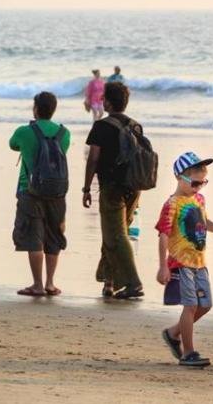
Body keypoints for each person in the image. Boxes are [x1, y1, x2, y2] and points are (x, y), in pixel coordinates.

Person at [156, 152, 213, 367]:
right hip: (180, 262)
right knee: (191, 305)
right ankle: (188, 352)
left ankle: (173, 333)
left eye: (203, 183)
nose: (199, 187)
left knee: (205, 304)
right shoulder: (172, 204)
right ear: (179, 177)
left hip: (200, 262)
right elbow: (164, 234)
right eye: (195, 183)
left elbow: (203, 221)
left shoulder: (199, 199)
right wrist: (162, 266)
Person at [82, 82, 143, 299]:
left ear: (107, 101)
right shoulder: (136, 126)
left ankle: (133, 283)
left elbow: (93, 159)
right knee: (115, 235)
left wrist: (87, 188)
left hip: (112, 188)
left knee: (116, 236)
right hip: (134, 188)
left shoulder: (101, 126)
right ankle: (109, 282)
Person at [10, 91, 70, 297]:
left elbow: (12, 145)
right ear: (53, 110)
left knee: (33, 235)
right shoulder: (64, 133)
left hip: (30, 190)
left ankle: (37, 285)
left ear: (35, 109)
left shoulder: (24, 131)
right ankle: (50, 284)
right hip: (57, 191)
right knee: (53, 236)